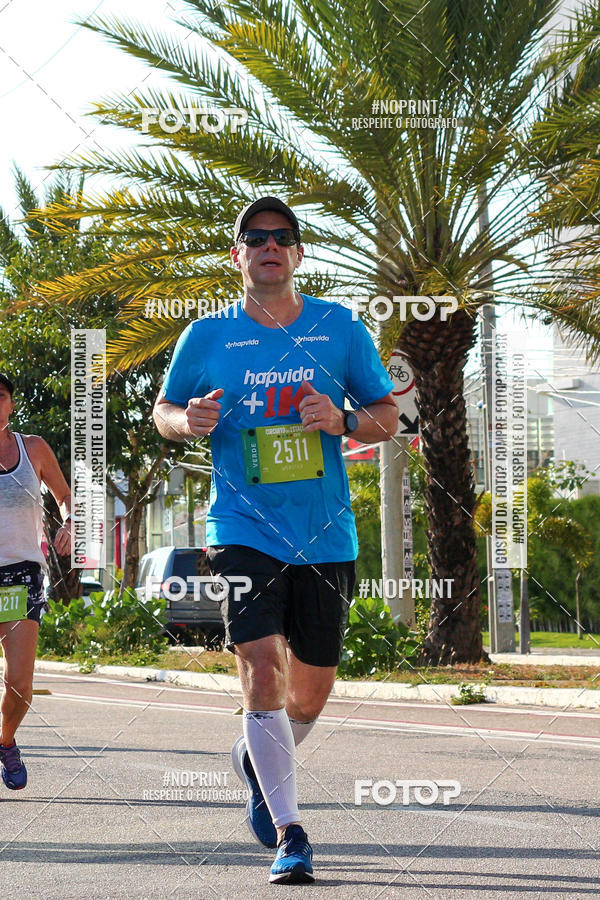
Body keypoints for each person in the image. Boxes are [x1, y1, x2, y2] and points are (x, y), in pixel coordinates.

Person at [153, 197, 398, 884]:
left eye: (282, 237)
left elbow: (388, 418)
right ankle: (292, 831)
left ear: (298, 253)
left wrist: (344, 418)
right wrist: (187, 420)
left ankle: (253, 760)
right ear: (237, 255)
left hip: (325, 535)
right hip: (240, 528)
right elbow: (163, 411)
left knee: (309, 695)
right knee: (262, 665)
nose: (269, 246)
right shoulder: (205, 336)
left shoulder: (339, 328)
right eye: (254, 237)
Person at [0, 372, 72, 789]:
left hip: (20, 575)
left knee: (21, 684)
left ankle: (5, 741)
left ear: (11, 403)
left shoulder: (34, 449)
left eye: (2, 396)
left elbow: (65, 497)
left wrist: (69, 525)